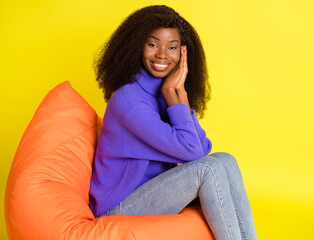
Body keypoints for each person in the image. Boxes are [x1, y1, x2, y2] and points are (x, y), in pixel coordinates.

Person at [89, 5, 257, 240]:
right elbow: (194, 153)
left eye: (172, 48)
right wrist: (172, 93)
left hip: (148, 194)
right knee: (208, 169)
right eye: (153, 44)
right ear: (138, 45)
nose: (162, 55)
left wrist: (179, 95)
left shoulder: (164, 90)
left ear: (183, 53)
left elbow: (203, 148)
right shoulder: (129, 101)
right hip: (116, 209)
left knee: (225, 160)